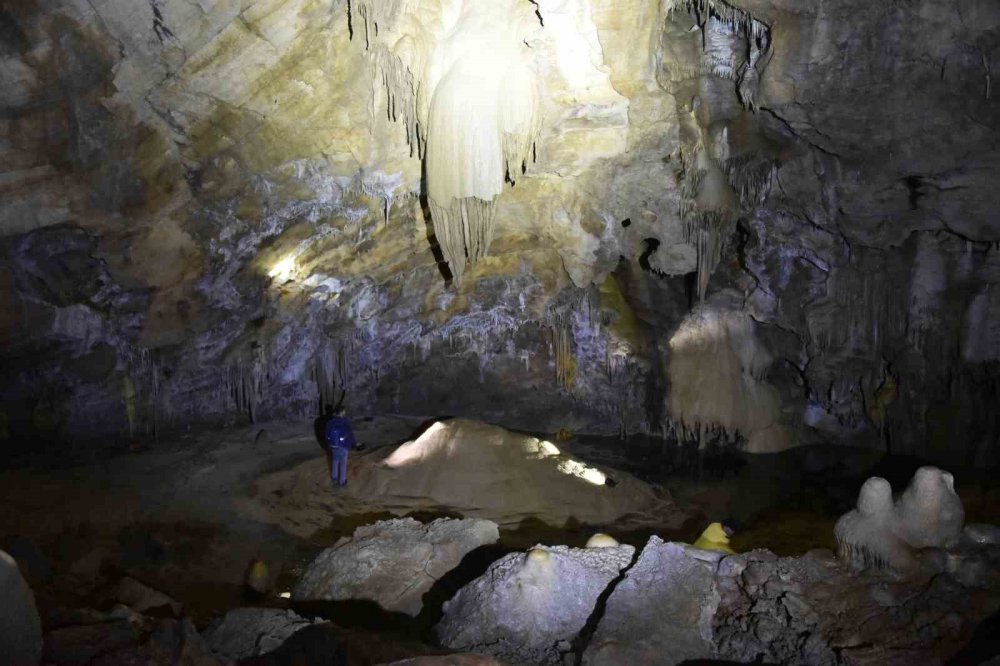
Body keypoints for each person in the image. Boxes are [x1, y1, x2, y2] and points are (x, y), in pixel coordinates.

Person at [325, 406, 360, 488]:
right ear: (341, 412)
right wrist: (354, 444)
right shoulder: (345, 421)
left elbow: (326, 434)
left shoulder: (330, 422)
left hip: (333, 445)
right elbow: (350, 434)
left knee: (335, 461)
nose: (345, 412)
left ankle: (334, 478)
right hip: (343, 446)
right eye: (344, 411)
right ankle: (342, 482)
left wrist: (329, 444)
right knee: (343, 464)